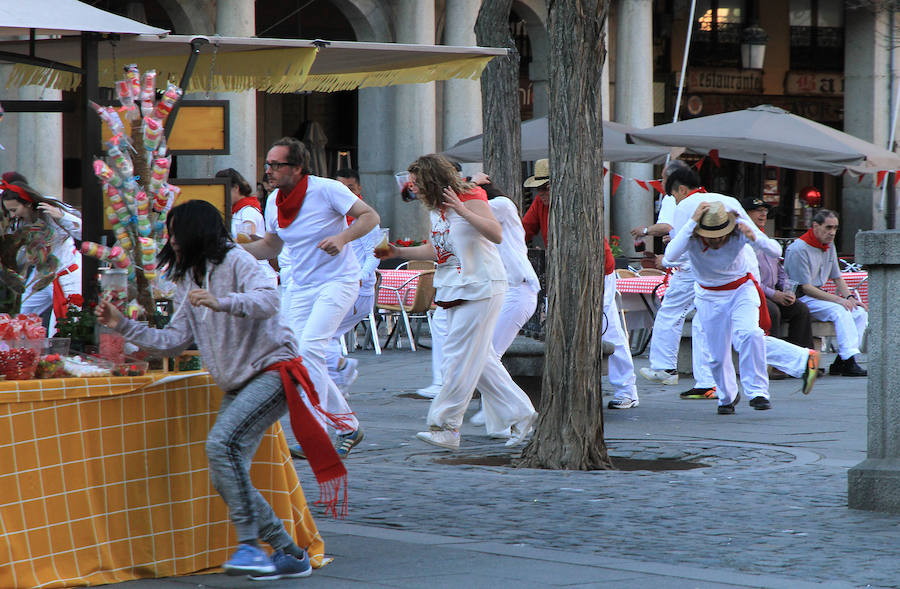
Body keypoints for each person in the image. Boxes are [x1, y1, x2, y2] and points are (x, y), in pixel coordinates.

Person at [94, 200, 332, 580]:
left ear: (195, 231)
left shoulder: (239, 261)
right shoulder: (188, 279)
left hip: (273, 370)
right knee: (225, 469)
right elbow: (173, 340)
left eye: (174, 233)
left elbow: (270, 299)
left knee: (221, 446)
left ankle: (252, 547)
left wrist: (222, 302)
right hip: (238, 381)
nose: (169, 241)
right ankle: (288, 551)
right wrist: (122, 325)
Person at [377, 154, 537, 450]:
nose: (415, 191)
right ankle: (522, 413)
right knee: (480, 359)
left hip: (483, 285)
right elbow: (436, 250)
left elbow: (496, 234)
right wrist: (398, 252)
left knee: (457, 356)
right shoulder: (435, 210)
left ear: (432, 181)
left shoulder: (472, 197)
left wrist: (462, 210)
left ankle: (446, 426)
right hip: (454, 286)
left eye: (417, 185)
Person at [243, 137, 380, 458]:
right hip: (300, 287)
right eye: (268, 164)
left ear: (298, 167)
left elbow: (369, 216)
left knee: (309, 350)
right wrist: (233, 250)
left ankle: (315, 435)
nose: (270, 170)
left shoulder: (326, 188)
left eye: (277, 165)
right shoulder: (275, 199)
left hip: (338, 282)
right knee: (294, 358)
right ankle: (348, 425)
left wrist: (342, 237)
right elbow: (271, 248)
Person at [458, 175, 542, 426]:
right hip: (503, 289)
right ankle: (499, 420)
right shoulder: (488, 212)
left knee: (488, 354)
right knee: (486, 354)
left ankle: (509, 411)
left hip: (519, 289)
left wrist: (466, 184)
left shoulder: (502, 204)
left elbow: (461, 210)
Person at [638, 162, 717, 400]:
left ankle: (665, 367)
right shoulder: (712, 198)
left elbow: (681, 241)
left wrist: (668, 257)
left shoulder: (683, 204)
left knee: (672, 311)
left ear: (679, 186)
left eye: (665, 182)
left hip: (691, 267)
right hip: (713, 268)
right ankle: (707, 380)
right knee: (705, 322)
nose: (663, 187)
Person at [784, 209, 868, 377]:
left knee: (859, 312)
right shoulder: (798, 248)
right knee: (841, 310)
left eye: (835, 228)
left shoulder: (829, 245)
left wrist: (850, 297)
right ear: (815, 226)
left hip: (819, 295)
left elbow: (837, 277)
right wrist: (839, 300)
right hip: (801, 297)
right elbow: (805, 287)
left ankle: (843, 360)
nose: (832, 232)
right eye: (828, 227)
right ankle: (849, 361)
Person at [0, 178, 82, 332]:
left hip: (67, 276)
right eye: (8, 211)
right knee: (19, 320)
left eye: (14, 210)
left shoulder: (50, 207)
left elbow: (84, 231)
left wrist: (62, 216)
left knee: (62, 329)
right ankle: (20, 354)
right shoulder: (18, 222)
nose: (11, 215)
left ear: (28, 204)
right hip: (41, 277)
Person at [744, 197, 814, 349]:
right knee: (773, 312)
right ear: (746, 214)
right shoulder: (742, 241)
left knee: (800, 309)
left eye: (764, 211)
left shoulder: (766, 240)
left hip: (772, 293)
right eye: (758, 211)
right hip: (751, 293)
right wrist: (774, 294)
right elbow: (748, 278)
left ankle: (801, 359)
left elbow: (780, 272)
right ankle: (772, 362)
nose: (763, 214)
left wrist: (787, 291)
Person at [216, 168, 277, 284]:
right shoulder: (236, 211)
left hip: (258, 274)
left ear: (236, 188)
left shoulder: (247, 211)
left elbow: (247, 237)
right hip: (248, 271)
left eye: (223, 189)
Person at [522, 158, 550, 246]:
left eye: (546, 188)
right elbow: (525, 229)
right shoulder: (539, 201)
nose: (541, 193)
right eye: (538, 189)